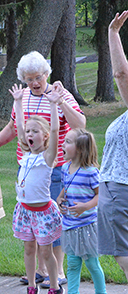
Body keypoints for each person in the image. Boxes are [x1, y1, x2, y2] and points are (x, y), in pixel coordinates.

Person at [0, 51, 86, 288]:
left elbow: (80, 125)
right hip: (26, 165)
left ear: (46, 74)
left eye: (38, 77)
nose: (34, 83)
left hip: (53, 166)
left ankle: (58, 272)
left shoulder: (60, 94)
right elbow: (14, 126)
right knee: (31, 221)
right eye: (29, 79)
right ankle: (39, 269)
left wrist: (60, 102)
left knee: (51, 220)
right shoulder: (22, 96)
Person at [10, 81, 63, 294]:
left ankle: (54, 285)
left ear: (45, 137)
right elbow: (20, 127)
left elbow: (55, 128)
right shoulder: (26, 156)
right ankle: (32, 286)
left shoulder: (47, 157)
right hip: (25, 211)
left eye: (35, 131)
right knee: (29, 249)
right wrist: (18, 101)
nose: (30, 134)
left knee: (46, 252)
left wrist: (53, 105)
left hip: (43, 213)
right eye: (29, 132)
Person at [56, 129, 106, 294]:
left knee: (92, 263)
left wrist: (86, 206)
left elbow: (101, 195)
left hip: (87, 226)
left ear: (80, 149)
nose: (62, 144)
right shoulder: (65, 168)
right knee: (72, 263)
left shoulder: (91, 172)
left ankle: (101, 292)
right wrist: (59, 198)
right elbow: (66, 187)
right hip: (69, 225)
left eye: (68, 142)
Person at [98, 10, 128, 281]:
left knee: (124, 255)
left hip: (120, 188)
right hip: (117, 187)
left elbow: (120, 73)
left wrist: (113, 33)